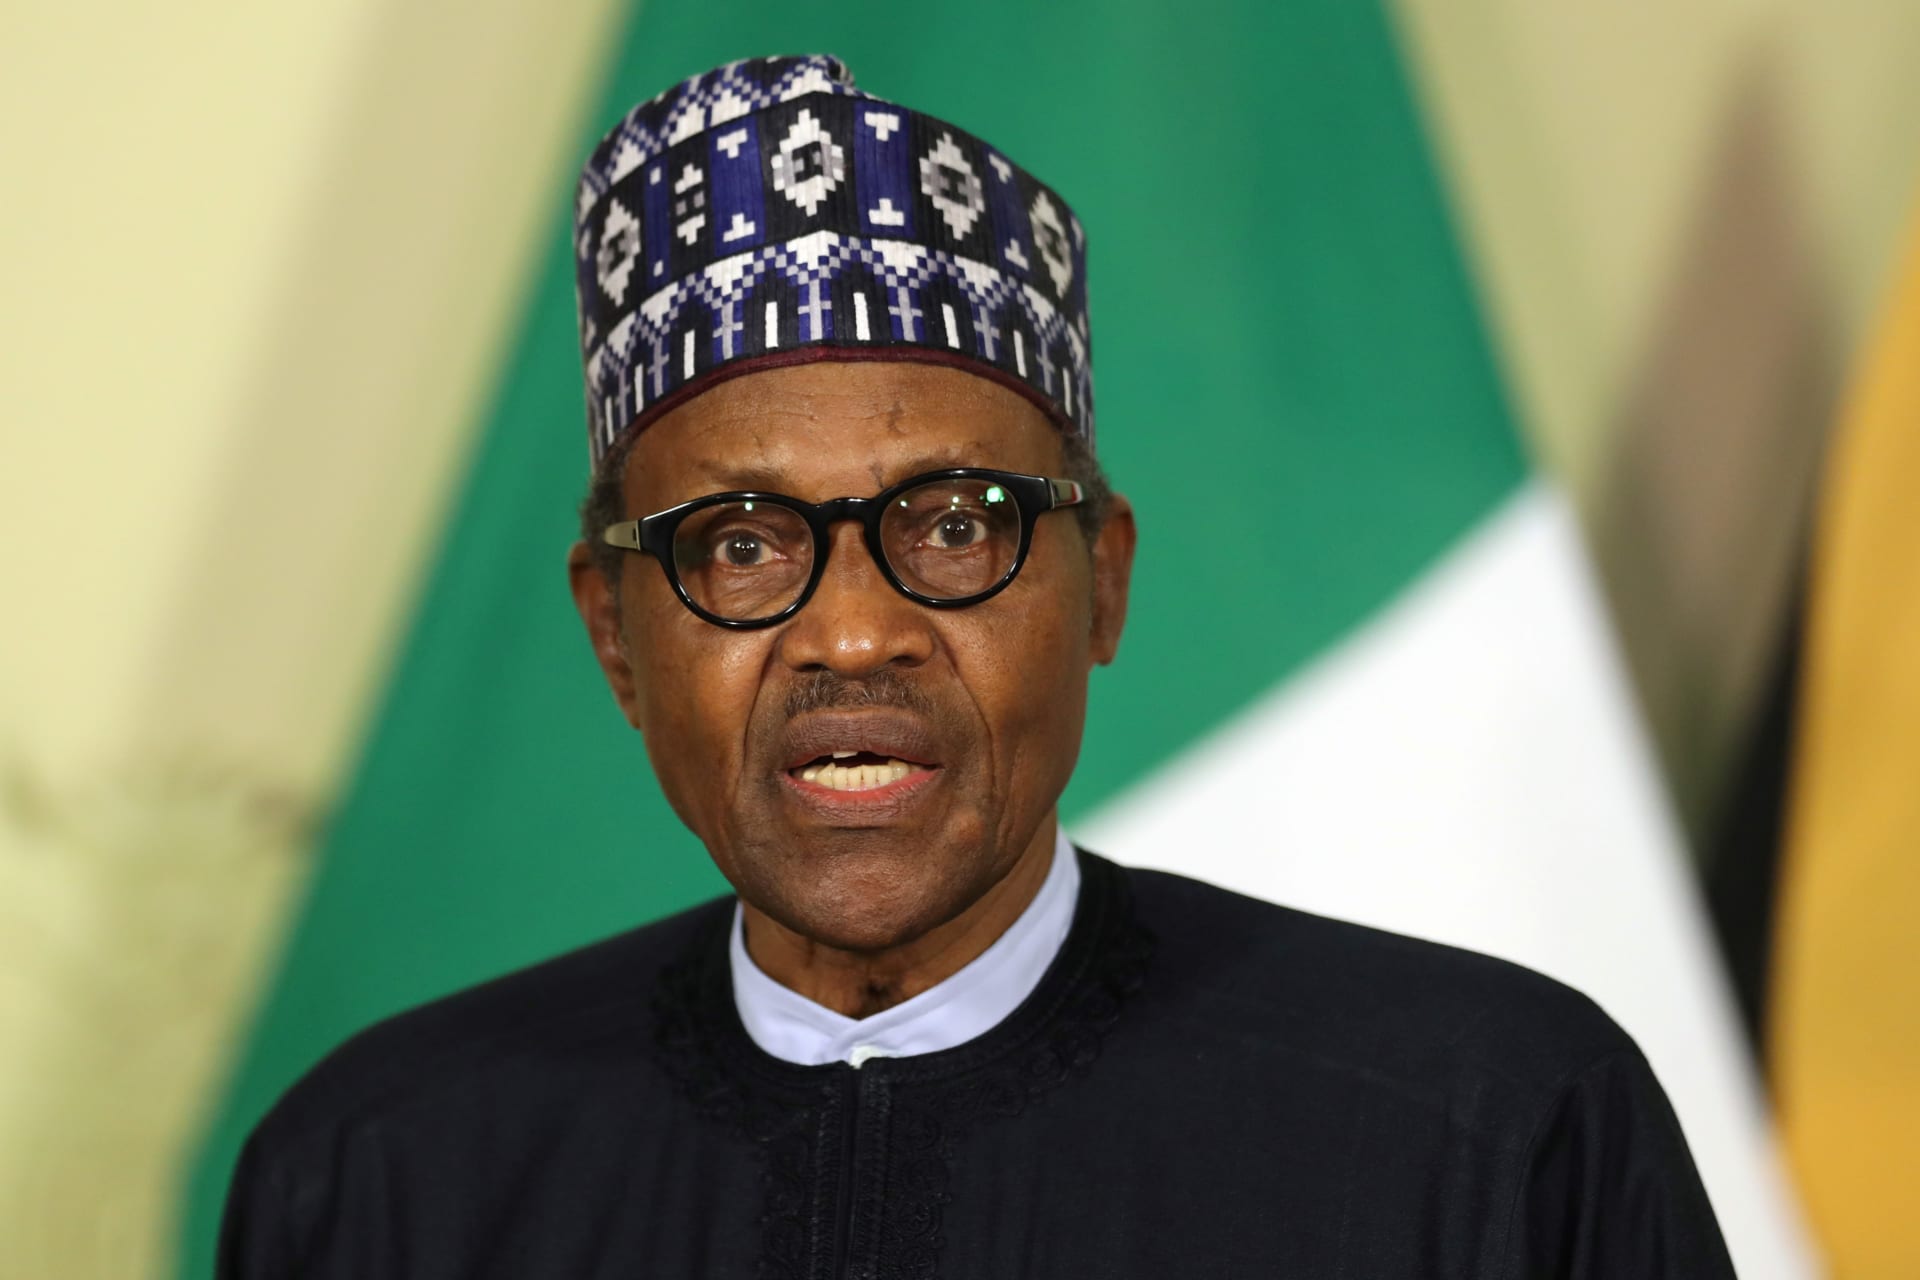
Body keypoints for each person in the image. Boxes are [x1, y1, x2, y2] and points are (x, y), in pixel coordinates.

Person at [217, 55, 1735, 1278]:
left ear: (1102, 586)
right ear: (619, 635)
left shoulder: (1486, 1124)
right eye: (741, 545)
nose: (855, 630)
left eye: (953, 525)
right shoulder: (379, 1174)